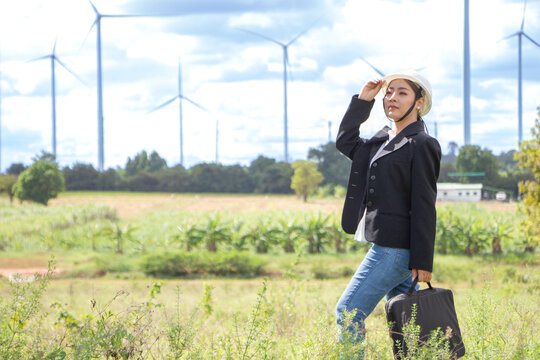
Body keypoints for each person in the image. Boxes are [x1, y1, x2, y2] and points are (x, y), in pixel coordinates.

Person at [334, 70, 441, 349]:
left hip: (394, 250)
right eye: (389, 92)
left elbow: (424, 204)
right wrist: (363, 101)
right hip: (390, 247)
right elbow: (346, 142)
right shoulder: (382, 140)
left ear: (419, 102)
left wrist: (423, 261)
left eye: (402, 92)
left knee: (347, 312)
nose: (392, 98)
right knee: (406, 323)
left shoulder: (422, 144)